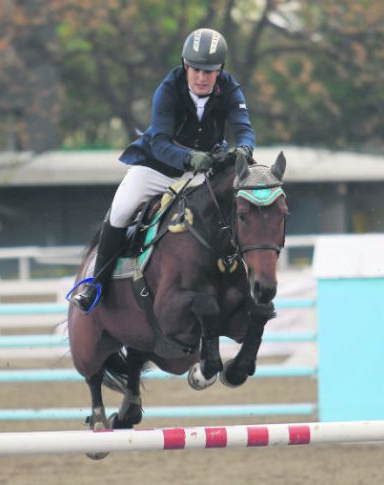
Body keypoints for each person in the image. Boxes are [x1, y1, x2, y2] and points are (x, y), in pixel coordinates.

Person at [70, 28, 256, 314]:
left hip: (202, 169)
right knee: (120, 210)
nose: (202, 78)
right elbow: (158, 143)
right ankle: (96, 283)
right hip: (158, 167)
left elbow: (244, 128)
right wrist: (189, 158)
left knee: (231, 209)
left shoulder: (230, 88)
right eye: (196, 70)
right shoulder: (169, 88)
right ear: (185, 65)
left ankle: (243, 283)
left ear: (220, 70)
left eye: (209, 71)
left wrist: (244, 148)